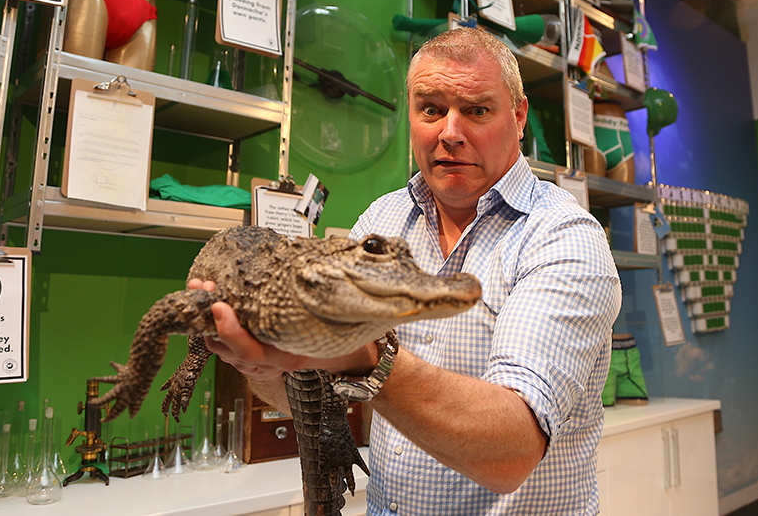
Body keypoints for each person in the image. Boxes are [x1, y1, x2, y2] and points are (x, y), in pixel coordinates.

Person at [199, 27, 621, 515]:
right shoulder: (382, 220)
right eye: (431, 109)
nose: (450, 132)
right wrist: (260, 360)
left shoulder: (564, 235)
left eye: (477, 110)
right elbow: (309, 389)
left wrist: (364, 357)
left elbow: (511, 452)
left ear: (519, 116)